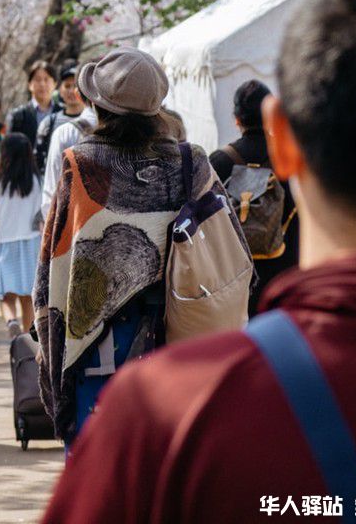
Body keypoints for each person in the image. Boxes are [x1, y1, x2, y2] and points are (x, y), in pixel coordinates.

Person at [40, 0, 356, 523]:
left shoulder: (165, 420)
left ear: (281, 138)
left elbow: (54, 268)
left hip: (108, 344)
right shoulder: (190, 162)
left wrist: (52, 361)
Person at [35, 46, 249, 445]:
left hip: (98, 342)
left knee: (101, 462)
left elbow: (54, 262)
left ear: (99, 106)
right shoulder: (192, 162)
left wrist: (50, 338)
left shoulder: (79, 163)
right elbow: (231, 244)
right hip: (182, 329)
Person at [210, 79, 299, 315]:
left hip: (235, 275)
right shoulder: (288, 156)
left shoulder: (218, 161)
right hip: (282, 272)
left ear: (237, 119)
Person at [0, 133, 43, 337]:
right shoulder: (37, 183)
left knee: (6, 295)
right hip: (31, 244)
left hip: (6, 245)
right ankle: (27, 338)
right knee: (27, 297)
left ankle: (11, 322)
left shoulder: (0, 186)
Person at [34, 63, 87, 173]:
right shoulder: (48, 124)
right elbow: (38, 162)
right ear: (60, 90)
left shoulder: (94, 122)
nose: (72, 91)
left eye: (76, 86)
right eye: (67, 86)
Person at [6, 60, 57, 148]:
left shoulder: (62, 113)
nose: (42, 84)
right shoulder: (18, 116)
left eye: (46, 79)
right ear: (29, 84)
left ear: (55, 84)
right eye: (38, 79)